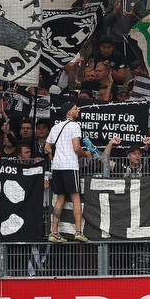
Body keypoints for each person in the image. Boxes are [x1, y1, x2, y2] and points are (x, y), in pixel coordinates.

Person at [47, 101, 91, 243]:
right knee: (75, 198)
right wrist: (86, 154)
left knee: (60, 198)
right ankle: (78, 231)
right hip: (70, 166)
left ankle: (54, 232)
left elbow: (47, 147)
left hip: (57, 167)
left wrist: (54, 155)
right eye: (75, 108)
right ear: (69, 112)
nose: (78, 110)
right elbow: (77, 148)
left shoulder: (55, 127)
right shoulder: (74, 126)